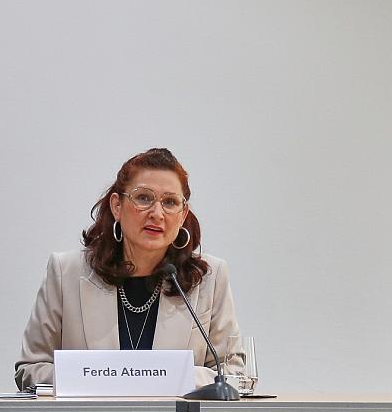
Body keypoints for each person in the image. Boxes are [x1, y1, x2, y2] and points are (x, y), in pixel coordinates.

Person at [16, 148, 243, 390]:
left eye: (170, 202)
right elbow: (30, 370)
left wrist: (168, 377)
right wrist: (97, 378)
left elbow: (233, 375)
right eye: (143, 198)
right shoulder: (66, 272)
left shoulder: (210, 278)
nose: (157, 214)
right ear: (117, 205)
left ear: (182, 214)